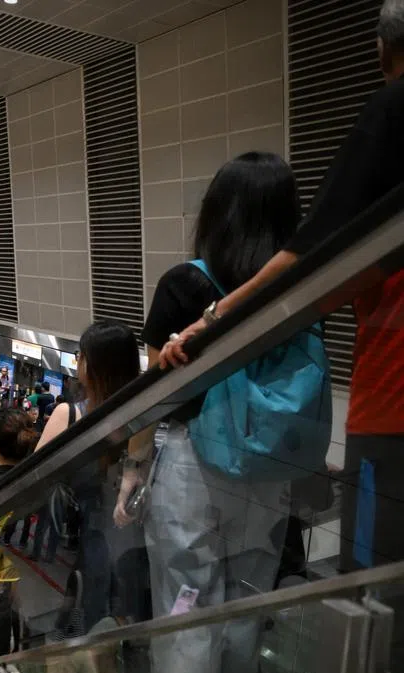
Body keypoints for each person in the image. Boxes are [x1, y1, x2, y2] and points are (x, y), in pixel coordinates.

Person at [156, 1, 404, 575]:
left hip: (392, 403)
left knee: (373, 593)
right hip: (280, 473)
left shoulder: (394, 108)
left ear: (382, 50)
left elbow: (314, 252)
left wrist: (212, 319)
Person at [135, 154, 302, 673]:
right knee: (247, 605)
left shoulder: (184, 285)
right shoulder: (298, 281)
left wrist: (134, 468)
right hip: (270, 469)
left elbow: (153, 397)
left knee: (187, 602)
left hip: (193, 466)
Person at [35, 322, 141, 634]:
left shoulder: (69, 414)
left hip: (89, 544)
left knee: (84, 625)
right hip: (134, 548)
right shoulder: (143, 414)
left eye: (80, 355)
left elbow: (33, 476)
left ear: (93, 365)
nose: (76, 361)